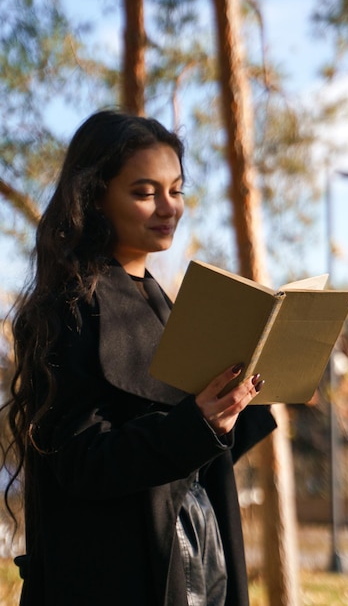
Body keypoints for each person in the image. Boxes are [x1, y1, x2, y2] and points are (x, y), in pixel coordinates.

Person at [4, 109, 277, 606]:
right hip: (122, 578)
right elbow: (81, 463)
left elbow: (190, 460)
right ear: (96, 198)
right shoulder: (69, 308)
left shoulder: (160, 302)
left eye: (176, 190)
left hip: (195, 564)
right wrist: (194, 424)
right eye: (145, 192)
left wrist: (257, 394)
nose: (168, 207)